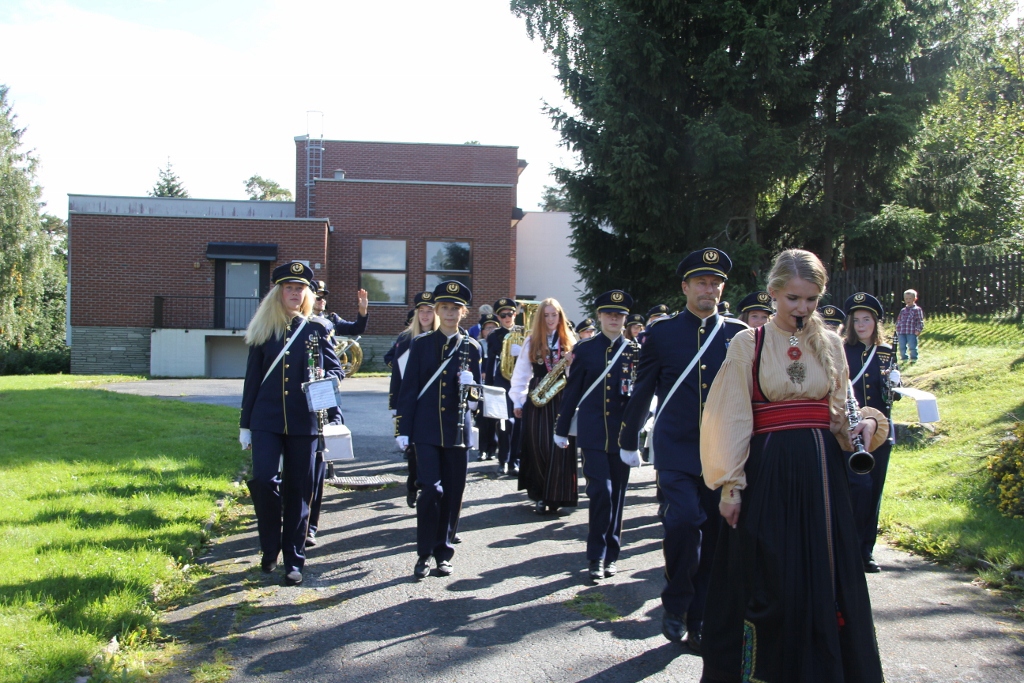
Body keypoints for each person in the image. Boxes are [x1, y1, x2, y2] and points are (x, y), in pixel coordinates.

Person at [699, 249, 889, 683]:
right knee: (771, 576)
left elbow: (839, 418)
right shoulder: (748, 343)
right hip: (768, 473)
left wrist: (866, 426)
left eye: (811, 299)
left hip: (823, 476)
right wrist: (731, 486)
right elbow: (730, 417)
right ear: (773, 293)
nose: (802, 308)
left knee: (826, 577)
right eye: (793, 298)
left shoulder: (831, 344)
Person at [619, 248, 748, 651]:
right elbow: (643, 389)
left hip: (721, 451)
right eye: (701, 283)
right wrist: (628, 438)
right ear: (685, 287)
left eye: (715, 283)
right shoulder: (662, 334)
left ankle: (700, 617)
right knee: (683, 524)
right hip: (676, 448)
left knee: (714, 536)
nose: (709, 289)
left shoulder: (739, 334)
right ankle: (675, 603)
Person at [239, 262, 343, 586]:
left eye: (300, 289)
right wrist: (245, 425)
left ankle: (294, 558)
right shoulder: (264, 329)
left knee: (299, 489)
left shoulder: (316, 329)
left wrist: (326, 376)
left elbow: (337, 370)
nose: (295, 293)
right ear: (279, 292)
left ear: (306, 294)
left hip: (304, 420)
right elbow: (252, 380)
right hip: (266, 419)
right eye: (289, 288)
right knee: (263, 480)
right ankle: (270, 546)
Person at [395, 281, 481, 579]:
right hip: (426, 429)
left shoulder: (472, 347)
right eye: (444, 307)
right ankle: (424, 554)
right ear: (436, 310)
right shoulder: (420, 344)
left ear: (463, 312)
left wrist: (472, 389)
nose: (450, 313)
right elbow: (408, 389)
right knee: (430, 490)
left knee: (453, 494)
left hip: (457, 431)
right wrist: (403, 428)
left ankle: (444, 553)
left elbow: (476, 398)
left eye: (455, 308)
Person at [554, 290, 640, 582]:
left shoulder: (635, 351)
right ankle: (596, 555)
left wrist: (636, 434)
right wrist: (561, 428)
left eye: (619, 315)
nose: (614, 319)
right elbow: (573, 391)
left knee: (617, 496)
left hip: (621, 436)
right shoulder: (585, 349)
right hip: (592, 433)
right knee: (600, 492)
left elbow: (639, 397)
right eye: (609, 314)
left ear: (625, 319)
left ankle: (611, 555)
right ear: (600, 316)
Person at [844, 292, 898, 573]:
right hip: (849, 433)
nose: (862, 325)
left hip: (879, 433)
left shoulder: (887, 352)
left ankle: (866, 551)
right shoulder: (842, 350)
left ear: (876, 323)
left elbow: (889, 395)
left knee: (874, 491)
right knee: (858, 489)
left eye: (867, 319)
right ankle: (847, 546)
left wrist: (896, 385)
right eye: (856, 320)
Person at [510, 297, 578, 513]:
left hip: (562, 397)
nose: (550, 319)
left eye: (554, 315)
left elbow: (576, 376)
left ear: (560, 316)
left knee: (560, 448)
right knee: (539, 446)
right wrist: (518, 400)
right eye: (546, 315)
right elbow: (521, 373)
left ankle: (557, 495)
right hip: (538, 398)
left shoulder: (570, 341)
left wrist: (570, 364)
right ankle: (540, 494)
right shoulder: (531, 341)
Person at [389, 292, 439, 508]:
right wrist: (395, 405)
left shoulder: (441, 337)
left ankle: (430, 488)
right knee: (413, 450)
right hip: (412, 402)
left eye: (430, 311)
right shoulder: (405, 338)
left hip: (434, 402)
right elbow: (397, 375)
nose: (425, 315)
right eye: (421, 311)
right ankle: (413, 485)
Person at [487, 298, 524, 475]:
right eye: (503, 315)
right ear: (498, 317)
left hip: (520, 381)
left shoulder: (524, 333)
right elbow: (490, 363)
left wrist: (522, 351)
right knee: (504, 423)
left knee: (519, 423)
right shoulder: (494, 336)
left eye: (510, 314)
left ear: (515, 315)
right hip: (502, 381)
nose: (507, 318)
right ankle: (503, 460)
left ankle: (516, 460)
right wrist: (488, 388)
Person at [476, 312, 501, 461]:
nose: (491, 331)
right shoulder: (478, 345)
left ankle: (493, 448)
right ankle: (482, 449)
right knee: (482, 418)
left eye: (493, 328)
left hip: (495, 385)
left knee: (494, 418)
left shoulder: (500, 343)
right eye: (488, 328)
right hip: (482, 386)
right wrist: (482, 373)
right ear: (482, 331)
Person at [895, 288, 925, 363]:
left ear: (915, 299)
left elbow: (920, 321)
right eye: (906, 298)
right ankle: (904, 358)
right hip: (902, 331)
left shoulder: (917, 309)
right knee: (902, 346)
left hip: (911, 331)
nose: (908, 300)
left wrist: (918, 330)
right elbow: (899, 320)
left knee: (912, 346)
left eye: (910, 298)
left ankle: (914, 358)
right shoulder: (903, 310)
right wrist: (897, 328)